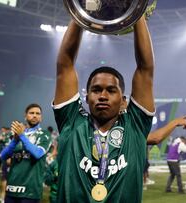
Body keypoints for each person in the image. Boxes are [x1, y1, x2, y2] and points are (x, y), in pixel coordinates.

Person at [53, 15, 154, 202]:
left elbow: (145, 69)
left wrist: (137, 13)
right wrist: (81, 12)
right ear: (86, 97)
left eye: (111, 91)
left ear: (123, 100)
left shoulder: (135, 125)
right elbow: (64, 65)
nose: (102, 96)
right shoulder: (72, 121)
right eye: (96, 90)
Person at [0, 103, 52, 203]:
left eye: (38, 113)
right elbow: (3, 156)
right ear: (25, 116)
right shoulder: (15, 134)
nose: (35, 115)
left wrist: (22, 136)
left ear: (41, 117)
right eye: (31, 113)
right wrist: (15, 140)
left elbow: (37, 154)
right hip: (12, 188)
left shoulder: (44, 135)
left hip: (30, 191)